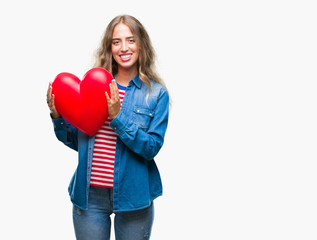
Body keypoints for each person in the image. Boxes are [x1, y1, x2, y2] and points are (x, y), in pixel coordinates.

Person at [46, 15, 169, 240]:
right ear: (109, 47)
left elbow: (151, 147)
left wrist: (118, 117)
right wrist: (57, 116)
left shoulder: (156, 94)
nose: (124, 48)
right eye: (116, 41)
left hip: (134, 197)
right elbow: (78, 142)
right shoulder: (94, 87)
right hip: (89, 197)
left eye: (131, 40)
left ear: (141, 43)